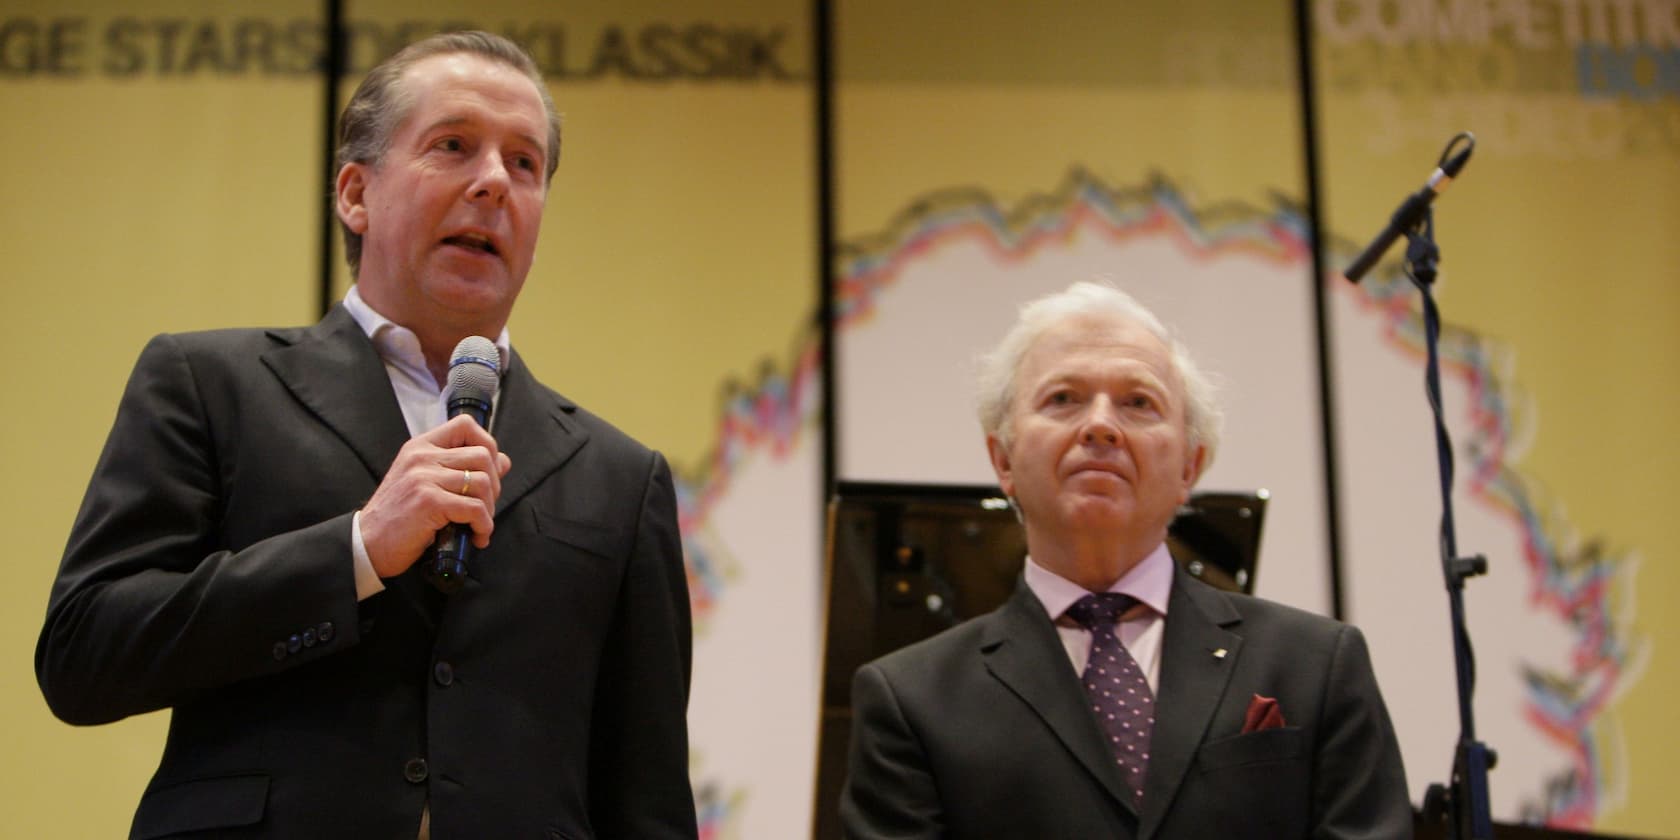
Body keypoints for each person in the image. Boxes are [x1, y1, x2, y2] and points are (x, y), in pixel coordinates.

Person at [35, 31, 697, 839]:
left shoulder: (621, 478)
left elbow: (647, 795)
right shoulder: (212, 384)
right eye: (453, 145)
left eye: (524, 164)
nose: (493, 181)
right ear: (356, 193)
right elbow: (85, 654)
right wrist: (356, 551)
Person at [839, 281, 1411, 839]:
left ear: (1190, 466)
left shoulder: (1318, 665)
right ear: (1003, 460)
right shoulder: (909, 700)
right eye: (1063, 399)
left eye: (1138, 402)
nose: (1101, 425)